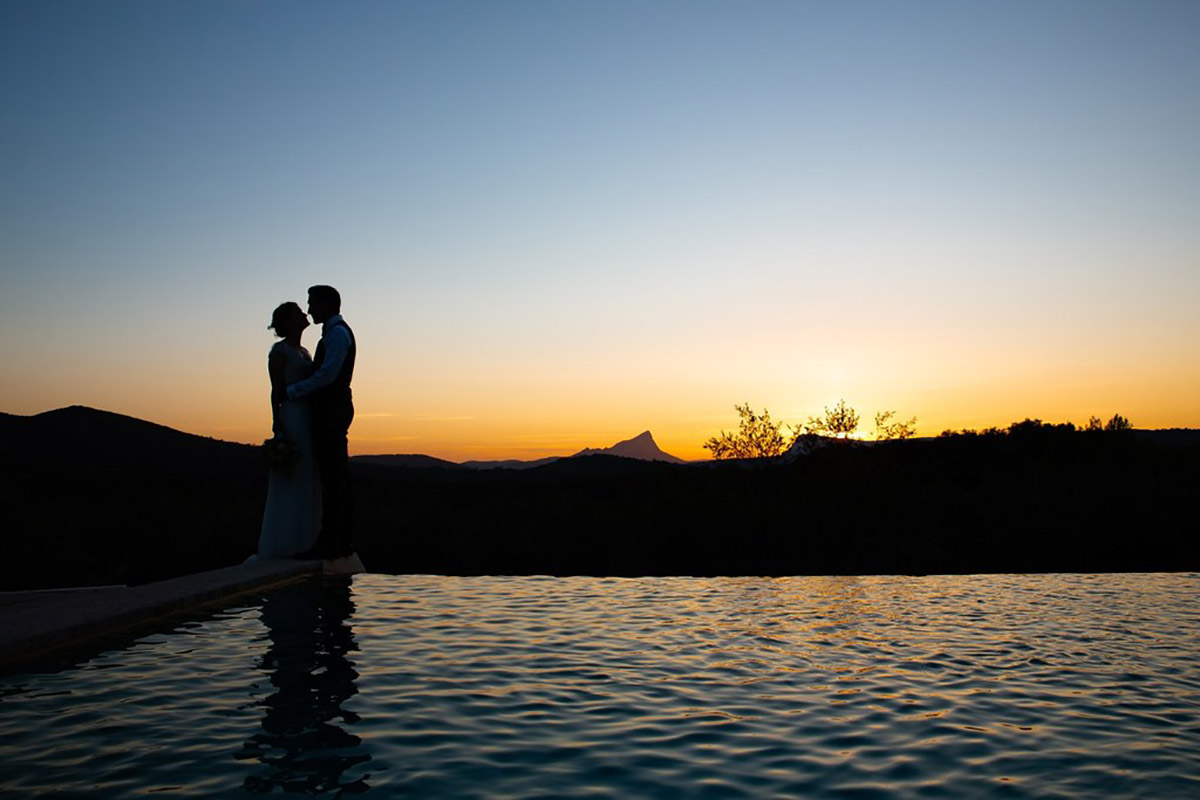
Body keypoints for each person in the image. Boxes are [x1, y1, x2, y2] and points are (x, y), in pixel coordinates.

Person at [288, 285, 357, 560]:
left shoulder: (338, 334)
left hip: (333, 410)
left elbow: (328, 375)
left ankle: (333, 542)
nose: (309, 309)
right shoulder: (333, 333)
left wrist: (292, 391)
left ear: (326, 304)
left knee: (334, 477)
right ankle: (339, 540)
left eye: (312, 303)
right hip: (331, 409)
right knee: (334, 476)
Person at [255, 302, 321, 559]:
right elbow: (275, 390)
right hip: (293, 416)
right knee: (291, 476)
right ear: (288, 322)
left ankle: (305, 539)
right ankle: (284, 542)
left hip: (308, 417)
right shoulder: (279, 352)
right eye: (297, 313)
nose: (305, 314)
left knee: (307, 475)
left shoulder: (304, 352)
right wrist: (277, 422)